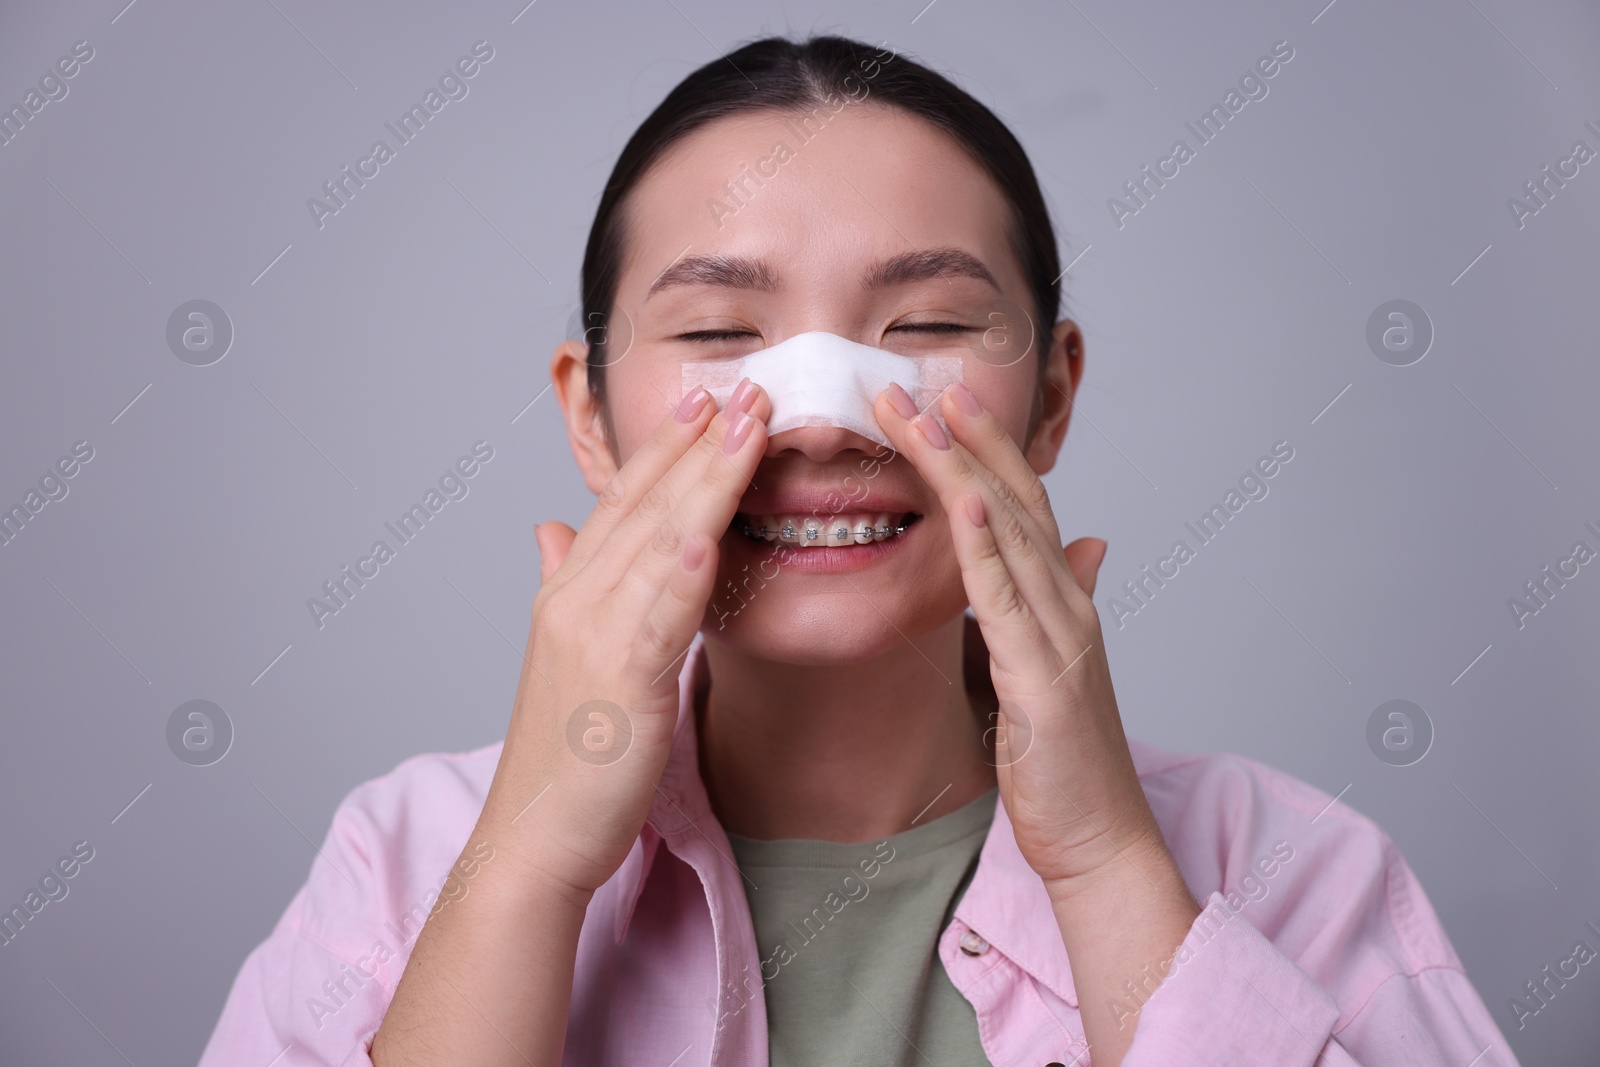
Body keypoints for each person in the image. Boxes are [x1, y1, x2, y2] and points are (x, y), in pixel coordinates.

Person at [198, 34, 1518, 1067]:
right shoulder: (408, 858)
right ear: (588, 418)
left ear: (1053, 397)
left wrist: (1112, 861)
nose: (823, 419)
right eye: (720, 333)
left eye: (927, 322)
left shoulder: (1284, 865)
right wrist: (532, 865)